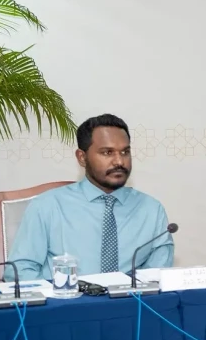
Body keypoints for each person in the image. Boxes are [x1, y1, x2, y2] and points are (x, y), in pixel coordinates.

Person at [10, 114, 174, 280]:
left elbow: (157, 275)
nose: (119, 161)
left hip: (131, 296)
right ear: (82, 158)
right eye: (107, 152)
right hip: (66, 296)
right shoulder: (48, 206)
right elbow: (19, 272)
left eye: (125, 152)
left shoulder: (151, 210)